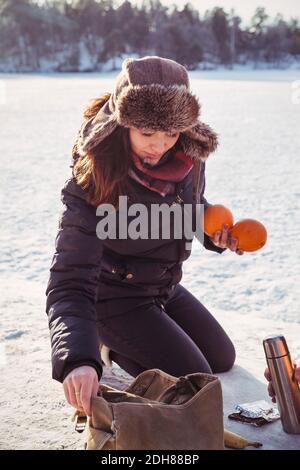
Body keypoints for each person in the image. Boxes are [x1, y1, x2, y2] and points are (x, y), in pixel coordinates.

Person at [45, 56, 244, 418]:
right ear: (124, 124)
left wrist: (215, 233)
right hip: (112, 297)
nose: (160, 145)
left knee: (221, 358)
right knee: (196, 381)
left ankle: (133, 336)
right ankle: (106, 344)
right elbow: (68, 281)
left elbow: (189, 206)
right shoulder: (93, 178)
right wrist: (77, 358)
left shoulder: (187, 153)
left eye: (170, 133)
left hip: (161, 286)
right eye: (148, 133)